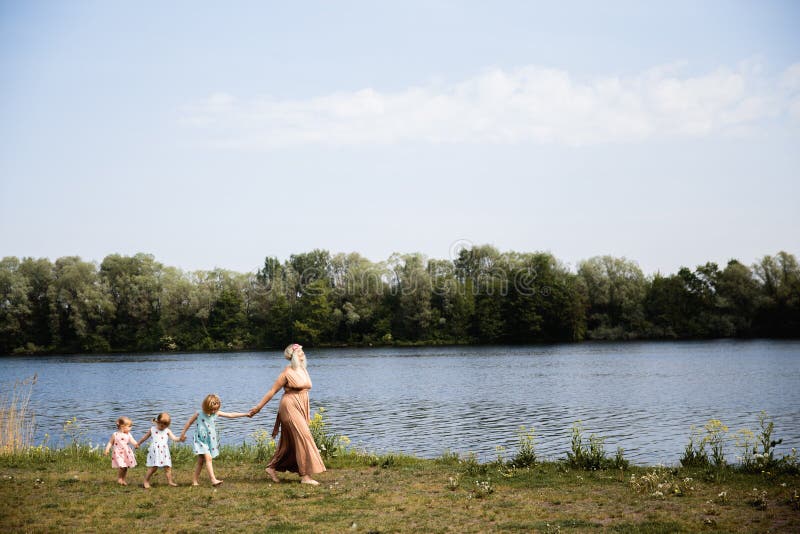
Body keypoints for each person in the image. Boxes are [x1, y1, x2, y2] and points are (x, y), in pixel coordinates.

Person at [249, 343, 326, 485]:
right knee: (304, 437)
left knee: (291, 442)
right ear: (293, 356)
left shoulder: (303, 370)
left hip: (301, 405)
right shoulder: (287, 372)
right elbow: (272, 391)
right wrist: (258, 407)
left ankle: (272, 467)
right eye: (299, 352)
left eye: (303, 351)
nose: (302, 353)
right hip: (289, 406)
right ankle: (305, 477)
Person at [179, 394, 249, 486]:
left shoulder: (216, 413)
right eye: (211, 409)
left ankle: (194, 481)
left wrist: (245, 414)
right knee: (208, 458)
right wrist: (183, 434)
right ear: (205, 406)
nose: (213, 411)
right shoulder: (199, 413)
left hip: (209, 440)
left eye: (215, 409)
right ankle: (213, 480)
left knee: (200, 461)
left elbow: (230, 414)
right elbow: (189, 422)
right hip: (200, 440)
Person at [138, 412, 181, 488]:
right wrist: (138, 443)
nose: (163, 427)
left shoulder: (167, 430)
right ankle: (146, 481)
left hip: (164, 451)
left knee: (167, 467)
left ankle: (170, 482)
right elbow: (144, 437)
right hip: (155, 451)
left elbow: (174, 438)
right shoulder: (153, 429)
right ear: (157, 422)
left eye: (165, 425)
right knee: (154, 468)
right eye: (161, 425)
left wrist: (180, 439)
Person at [104, 416, 139, 485]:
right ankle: (119, 479)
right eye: (129, 426)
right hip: (118, 453)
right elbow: (110, 442)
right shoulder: (115, 434)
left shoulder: (128, 434)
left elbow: (132, 440)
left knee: (125, 467)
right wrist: (107, 449)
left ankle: (123, 479)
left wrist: (136, 444)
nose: (131, 428)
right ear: (123, 426)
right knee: (122, 466)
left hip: (126, 453)